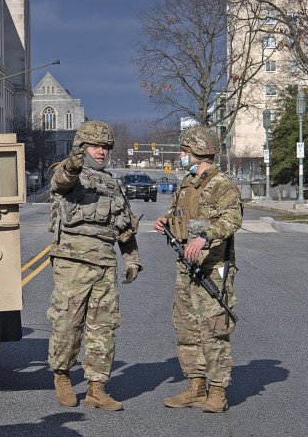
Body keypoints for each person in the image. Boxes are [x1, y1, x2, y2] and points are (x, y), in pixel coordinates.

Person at [46, 120, 141, 411]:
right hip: (72, 263)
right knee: (67, 324)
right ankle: (62, 376)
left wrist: (132, 258)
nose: (101, 152)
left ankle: (96, 389)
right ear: (82, 147)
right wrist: (73, 163)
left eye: (105, 147)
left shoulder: (112, 184)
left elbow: (124, 226)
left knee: (104, 327)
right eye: (95, 146)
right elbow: (62, 180)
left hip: (104, 263)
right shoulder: (70, 174)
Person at [153, 126, 244, 413]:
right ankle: (196, 386)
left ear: (198, 152)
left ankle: (217, 391)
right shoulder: (187, 183)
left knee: (213, 329)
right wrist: (166, 221)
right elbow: (180, 214)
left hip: (212, 268)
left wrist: (205, 236)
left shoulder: (222, 184)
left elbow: (232, 219)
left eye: (185, 151)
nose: (181, 156)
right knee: (187, 328)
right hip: (186, 267)